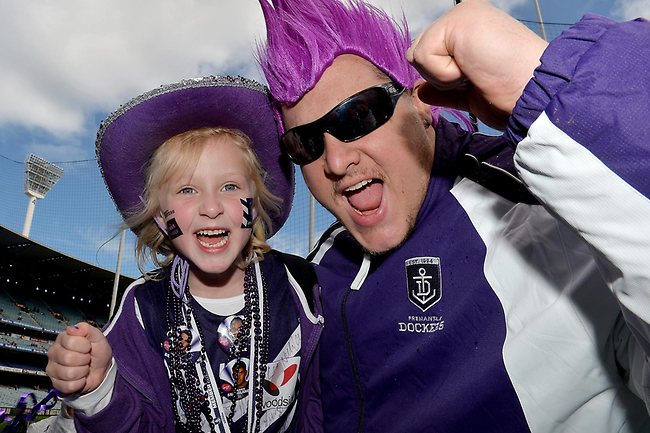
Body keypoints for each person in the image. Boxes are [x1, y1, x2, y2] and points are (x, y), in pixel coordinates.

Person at [256, 0, 650, 432]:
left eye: (359, 115)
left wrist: (552, 87)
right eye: (306, 142)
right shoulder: (318, 271)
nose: (334, 160)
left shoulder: (541, 209)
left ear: (421, 103)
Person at [45, 75, 323, 433]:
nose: (211, 207)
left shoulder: (304, 288)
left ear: (253, 204)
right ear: (161, 217)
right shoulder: (142, 311)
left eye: (229, 186)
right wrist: (98, 391)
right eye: (188, 189)